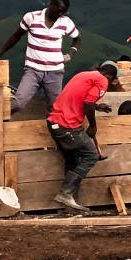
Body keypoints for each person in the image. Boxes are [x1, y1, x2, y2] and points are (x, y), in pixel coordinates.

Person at [46, 62, 118, 212]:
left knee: (72, 161)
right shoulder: (103, 81)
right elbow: (88, 102)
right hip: (68, 126)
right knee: (91, 155)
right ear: (110, 77)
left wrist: (98, 106)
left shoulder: (84, 75)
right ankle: (65, 193)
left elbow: (80, 98)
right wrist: (93, 126)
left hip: (54, 123)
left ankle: (69, 204)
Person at [0, 0, 80, 114]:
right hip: (33, 70)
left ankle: (54, 131)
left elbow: (77, 39)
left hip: (55, 72)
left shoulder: (65, 22)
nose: (61, 14)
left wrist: (70, 54)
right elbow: (16, 36)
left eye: (64, 12)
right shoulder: (31, 17)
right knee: (18, 103)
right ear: (51, 4)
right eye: (59, 11)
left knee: (55, 109)